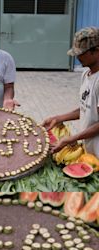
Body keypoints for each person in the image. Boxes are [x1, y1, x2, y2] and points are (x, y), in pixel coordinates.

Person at [42, 27, 99, 156]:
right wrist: (58, 118)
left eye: (81, 52)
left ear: (96, 51)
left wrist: (72, 138)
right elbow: (87, 109)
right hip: (90, 148)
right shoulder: (86, 74)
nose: (77, 57)